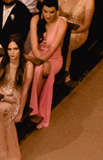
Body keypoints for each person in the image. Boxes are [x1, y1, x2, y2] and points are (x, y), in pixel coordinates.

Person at [0, 35, 33, 160]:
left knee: (1, 111)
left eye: (15, 49)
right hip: (0, 94)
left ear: (21, 49)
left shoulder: (28, 65)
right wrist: (3, 96)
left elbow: (25, 91)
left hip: (15, 98)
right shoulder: (0, 62)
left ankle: (3, 155)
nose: (12, 52)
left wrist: (20, 112)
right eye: (9, 49)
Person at [25, 0, 68, 129]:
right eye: (45, 12)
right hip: (36, 54)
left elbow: (53, 47)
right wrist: (38, 58)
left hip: (53, 59)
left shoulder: (62, 23)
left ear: (57, 11)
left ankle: (33, 109)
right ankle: (23, 105)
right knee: (27, 67)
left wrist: (43, 61)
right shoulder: (35, 20)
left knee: (39, 70)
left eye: (51, 12)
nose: (48, 15)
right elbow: (33, 44)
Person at [60, 0, 95, 78]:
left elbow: (86, 25)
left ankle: (65, 73)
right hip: (61, 28)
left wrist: (69, 32)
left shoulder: (89, 2)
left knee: (67, 42)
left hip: (78, 32)